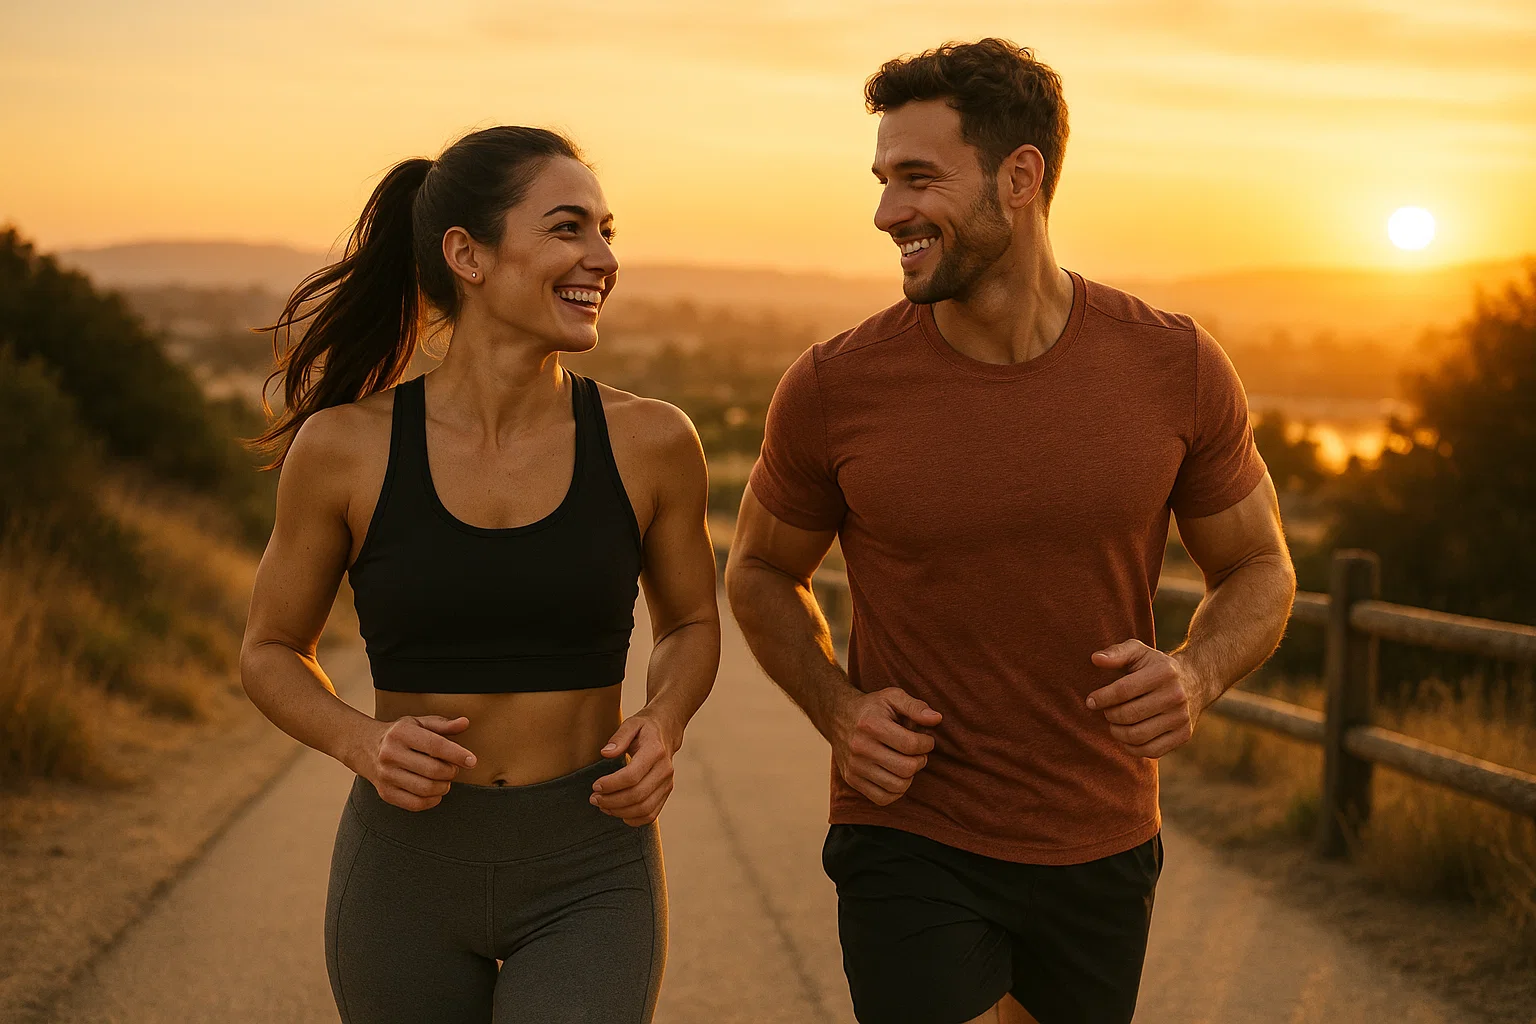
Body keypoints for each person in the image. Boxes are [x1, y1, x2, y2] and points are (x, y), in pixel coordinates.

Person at [725, 40, 1296, 1024]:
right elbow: (760, 572)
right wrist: (840, 709)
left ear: (1020, 177)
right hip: (909, 833)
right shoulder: (833, 387)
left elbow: (1258, 566)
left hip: (1104, 834)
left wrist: (1197, 673)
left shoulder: (1175, 366)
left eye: (917, 178)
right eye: (881, 180)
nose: (886, 212)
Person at [240, 126, 720, 1024]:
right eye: (569, 228)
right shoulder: (345, 448)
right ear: (467, 253)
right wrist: (359, 740)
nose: (603, 258)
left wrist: (664, 720)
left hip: (591, 862)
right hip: (405, 872)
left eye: (607, 230)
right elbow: (269, 649)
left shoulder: (653, 441)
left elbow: (692, 624)